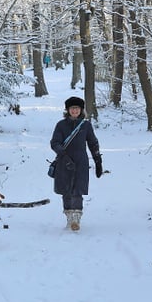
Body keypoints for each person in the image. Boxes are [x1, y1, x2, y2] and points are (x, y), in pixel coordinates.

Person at [50, 96, 102, 231]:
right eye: (72, 108)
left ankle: (76, 218)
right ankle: (69, 217)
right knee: (66, 191)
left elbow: (92, 143)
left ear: (81, 110)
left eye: (77, 108)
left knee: (77, 190)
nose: (75, 111)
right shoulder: (61, 125)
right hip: (64, 161)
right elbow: (54, 143)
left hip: (80, 162)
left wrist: (98, 160)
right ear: (68, 110)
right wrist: (64, 156)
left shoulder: (86, 125)